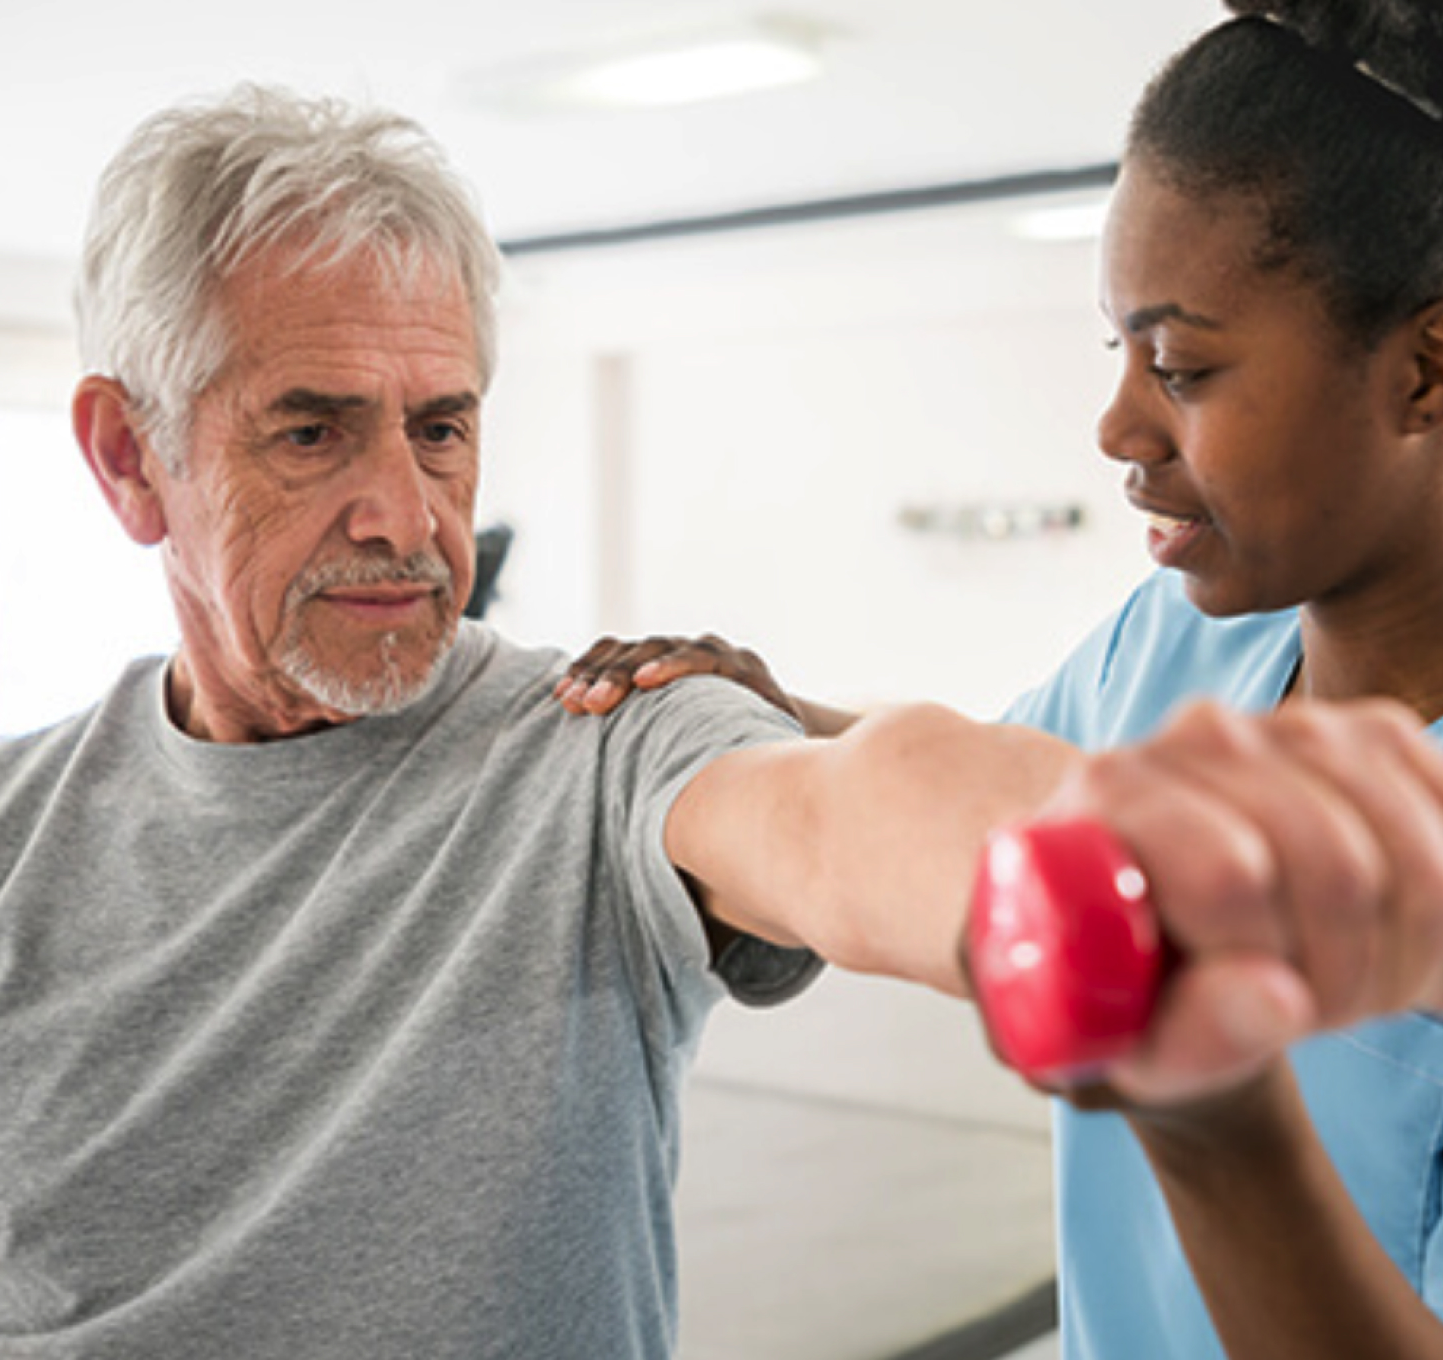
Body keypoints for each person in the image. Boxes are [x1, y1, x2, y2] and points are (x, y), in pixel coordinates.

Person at [0, 72, 1441, 1360]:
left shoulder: (598, 735)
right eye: (310, 433)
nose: (403, 513)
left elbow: (873, 818)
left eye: (442, 429)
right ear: (128, 459)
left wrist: (1145, 884)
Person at [556, 2, 1443, 1357]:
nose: (1116, 425)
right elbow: (989, 784)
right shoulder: (1178, 643)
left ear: (1424, 368)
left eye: (1182, 366)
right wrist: (762, 713)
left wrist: (1208, 1116)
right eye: (1118, 352)